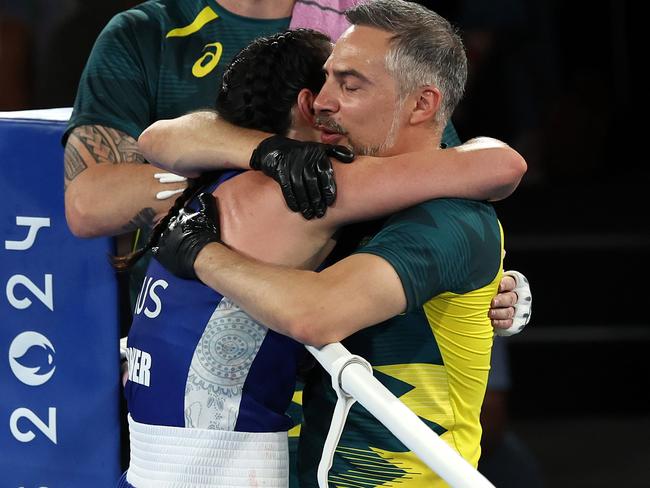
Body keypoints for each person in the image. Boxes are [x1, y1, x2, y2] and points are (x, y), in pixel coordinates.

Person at [119, 22, 527, 487]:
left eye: (349, 85)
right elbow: (500, 165)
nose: (327, 101)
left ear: (421, 103)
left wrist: (198, 251)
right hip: (236, 466)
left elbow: (156, 138)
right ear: (304, 104)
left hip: (173, 462)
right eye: (326, 82)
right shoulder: (317, 185)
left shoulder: (220, 179)